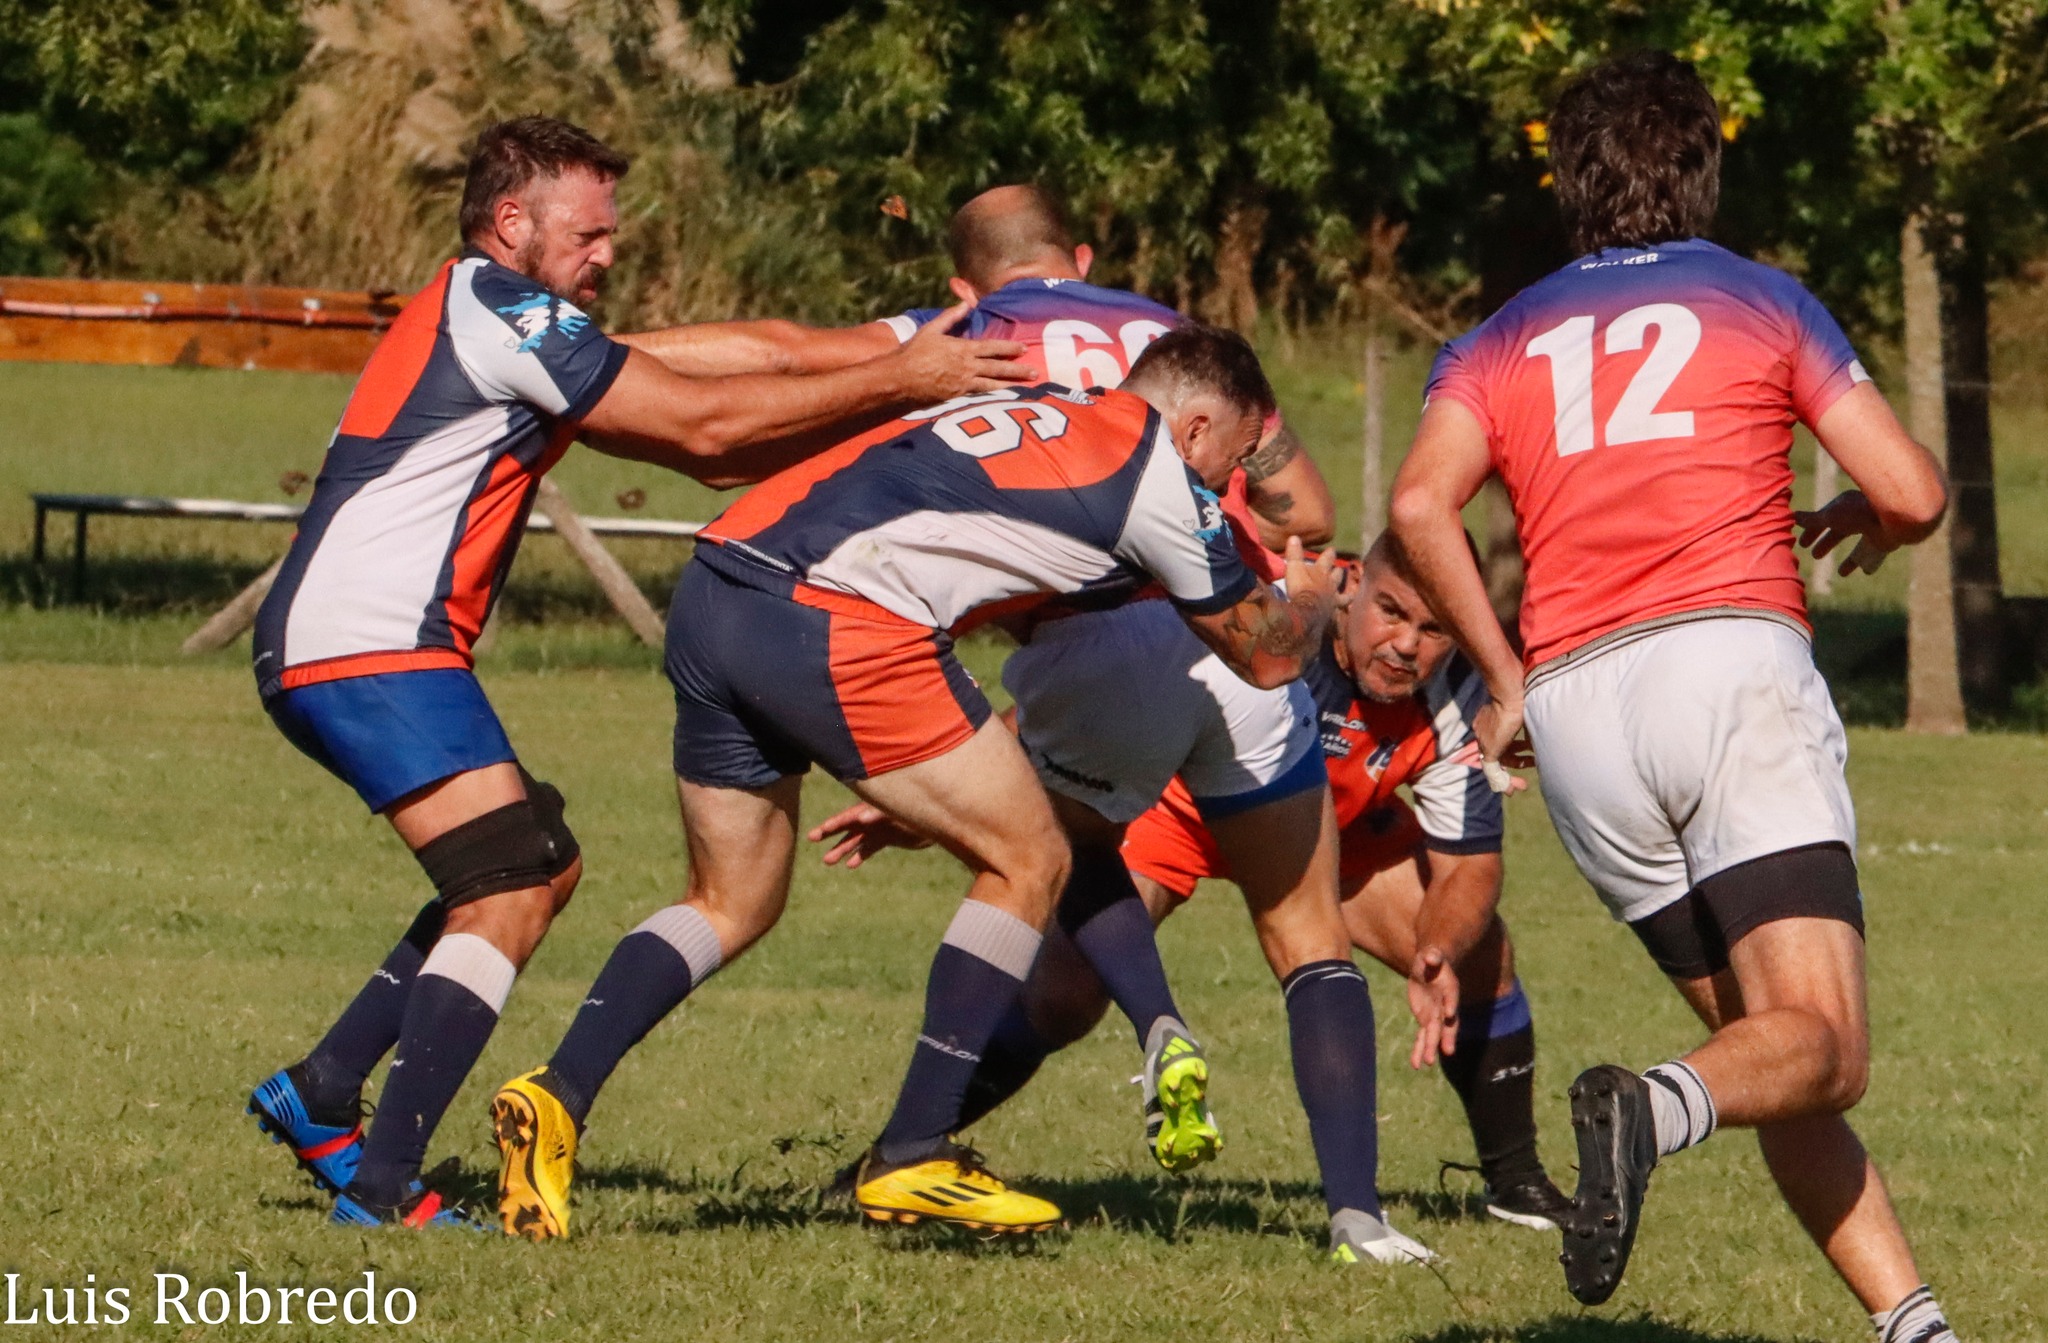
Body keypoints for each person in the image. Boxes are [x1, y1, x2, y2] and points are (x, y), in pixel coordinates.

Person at [244, 115, 1031, 1229]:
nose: (608, 252)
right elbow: (706, 428)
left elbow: (730, 396)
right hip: (362, 641)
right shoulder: (501, 307)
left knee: (536, 859)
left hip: (364, 643)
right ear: (510, 223)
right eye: (589, 231)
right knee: (509, 880)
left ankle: (322, 1091)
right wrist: (899, 375)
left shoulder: (511, 315)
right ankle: (378, 1188)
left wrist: (889, 368)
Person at [491, 326, 1343, 1242]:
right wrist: (1313, 604)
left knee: (731, 898)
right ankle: (913, 1149)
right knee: (1031, 855)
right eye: (1235, 457)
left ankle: (556, 1095)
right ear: (1197, 427)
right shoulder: (1163, 479)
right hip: (833, 618)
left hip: (717, 584)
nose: (1231, 484)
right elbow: (1268, 657)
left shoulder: (1037, 408)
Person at [1387, 52, 1959, 1340]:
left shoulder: (1497, 335)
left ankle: (1912, 1323)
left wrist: (1504, 669)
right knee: (1820, 1043)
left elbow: (1419, 502)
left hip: (1581, 712)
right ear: (1701, 170)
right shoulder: (1760, 297)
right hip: (1726, 668)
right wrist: (1871, 510)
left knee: (1772, 1060)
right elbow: (1915, 492)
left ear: (1566, 186)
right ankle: (1640, 1108)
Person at [637, 184, 1343, 1179]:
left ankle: (923, 1138)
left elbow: (779, 347)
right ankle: (1351, 1198)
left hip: (1074, 642)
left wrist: (607, 355)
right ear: (1085, 257)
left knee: (1038, 854)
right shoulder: (1181, 346)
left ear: (962, 280)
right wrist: (1283, 575)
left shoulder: (973, 328)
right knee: (1302, 924)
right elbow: (1296, 507)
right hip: (1224, 620)